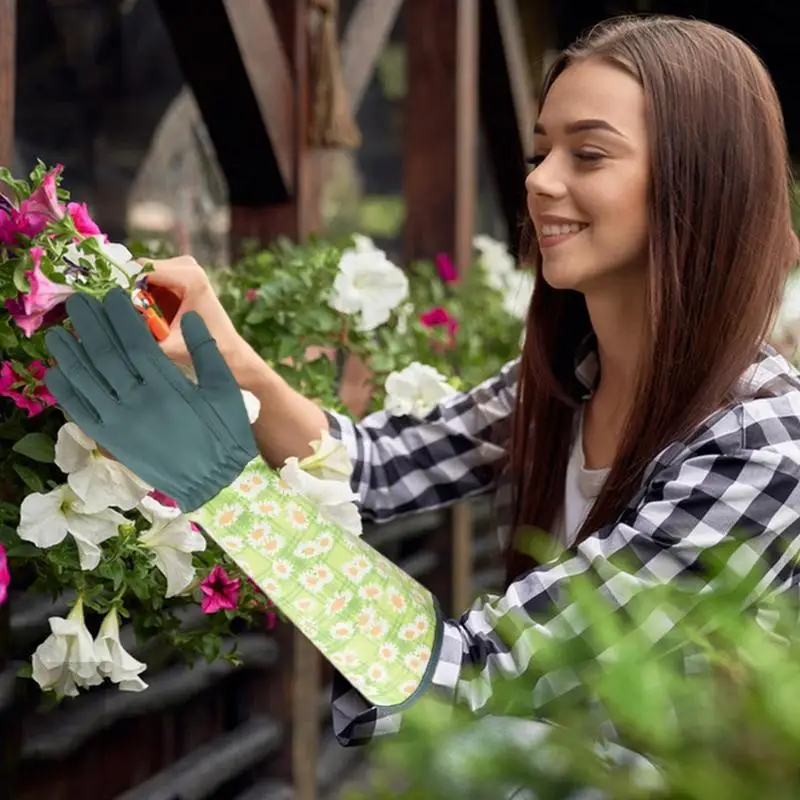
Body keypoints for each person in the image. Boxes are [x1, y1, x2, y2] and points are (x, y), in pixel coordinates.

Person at [44, 13, 800, 761]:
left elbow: (478, 677)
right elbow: (371, 469)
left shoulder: (760, 441)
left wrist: (231, 495)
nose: (540, 181)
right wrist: (224, 347)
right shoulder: (570, 379)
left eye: (590, 154)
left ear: (700, 183)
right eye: (540, 152)